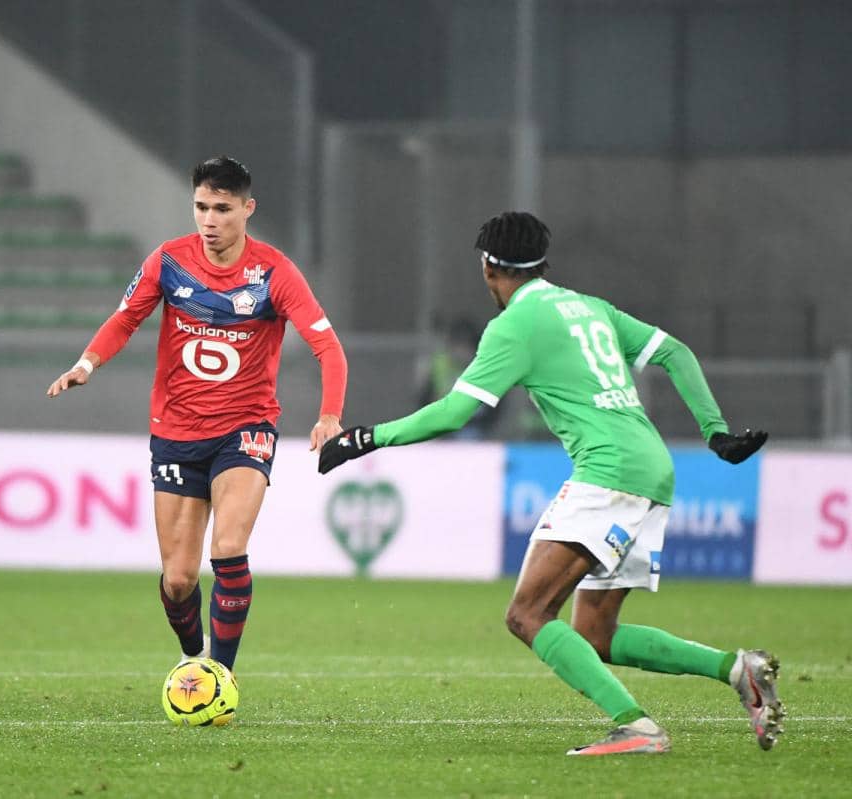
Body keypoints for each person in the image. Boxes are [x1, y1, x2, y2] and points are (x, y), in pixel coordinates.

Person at [319, 211, 782, 755]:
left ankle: (637, 727)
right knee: (596, 634)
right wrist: (716, 432)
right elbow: (675, 353)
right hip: (651, 469)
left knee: (528, 614)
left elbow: (452, 414)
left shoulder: (516, 324)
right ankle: (738, 670)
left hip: (608, 473)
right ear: (542, 262)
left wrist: (364, 439)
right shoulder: (588, 306)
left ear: (488, 266)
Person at [48, 156, 347, 674]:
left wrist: (330, 415)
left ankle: (220, 675)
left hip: (246, 427)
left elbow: (329, 347)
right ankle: (193, 656)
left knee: (228, 549)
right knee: (179, 579)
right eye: (201, 207)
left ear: (247, 209)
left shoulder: (274, 272)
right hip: (176, 430)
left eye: (223, 209)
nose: (209, 220)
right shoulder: (168, 261)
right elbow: (125, 320)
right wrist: (86, 363)